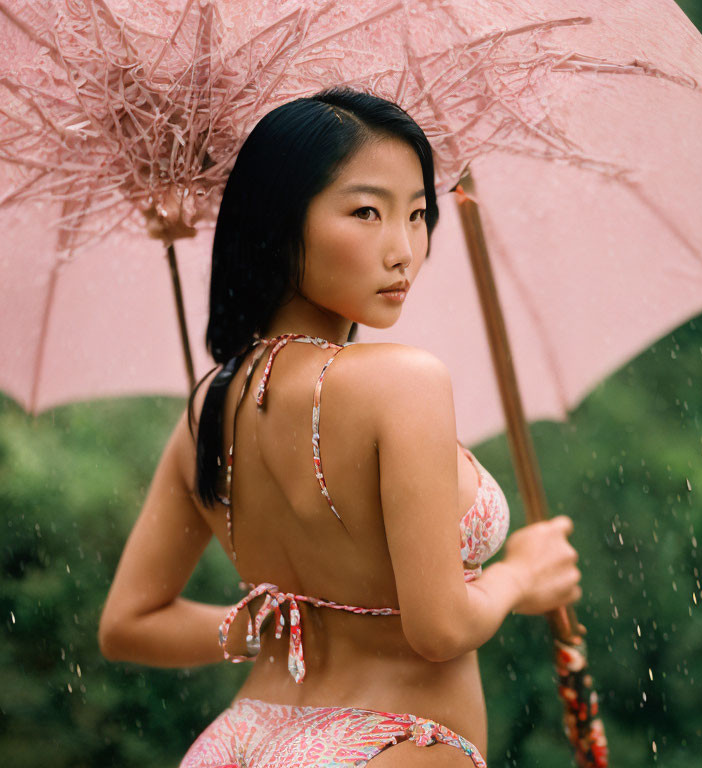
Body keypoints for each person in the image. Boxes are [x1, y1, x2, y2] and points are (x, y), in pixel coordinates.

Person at [98, 86, 582, 767]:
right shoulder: (402, 381)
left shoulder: (209, 405)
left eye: (417, 215)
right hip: (387, 741)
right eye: (365, 212)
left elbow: (128, 626)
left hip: (241, 739)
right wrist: (520, 578)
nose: (403, 249)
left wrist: (265, 633)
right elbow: (441, 629)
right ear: (279, 223)